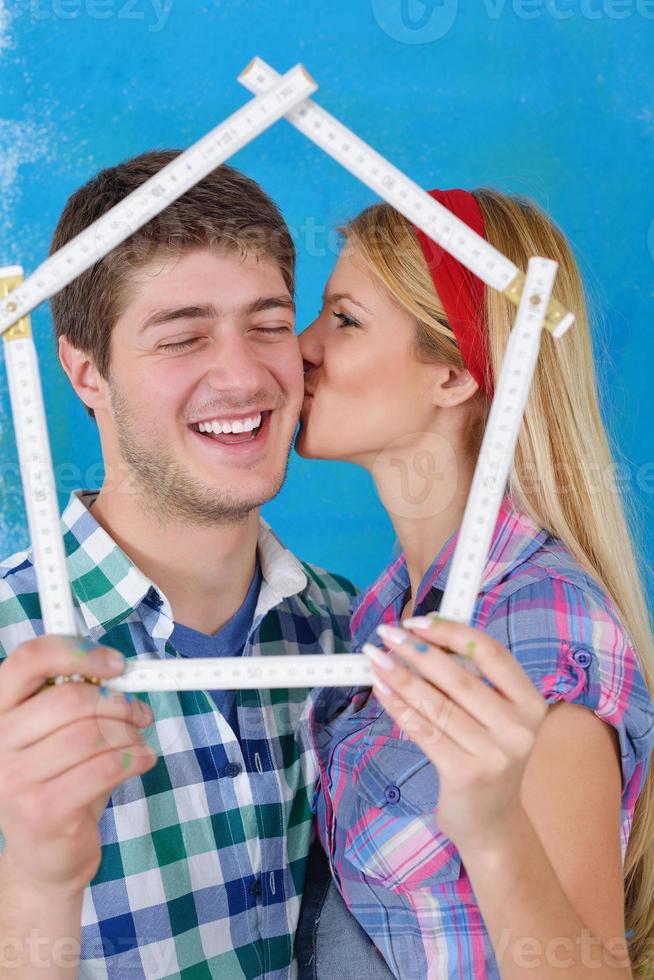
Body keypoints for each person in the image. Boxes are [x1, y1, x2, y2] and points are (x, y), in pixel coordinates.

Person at [0, 152, 358, 979]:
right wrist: (38, 884)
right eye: (183, 336)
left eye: (269, 324)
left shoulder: (359, 636)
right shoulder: (16, 659)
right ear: (86, 372)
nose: (243, 375)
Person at [294, 188, 654, 979]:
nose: (301, 347)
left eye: (343, 320)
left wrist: (493, 834)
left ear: (455, 374)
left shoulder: (538, 628)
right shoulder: (389, 607)